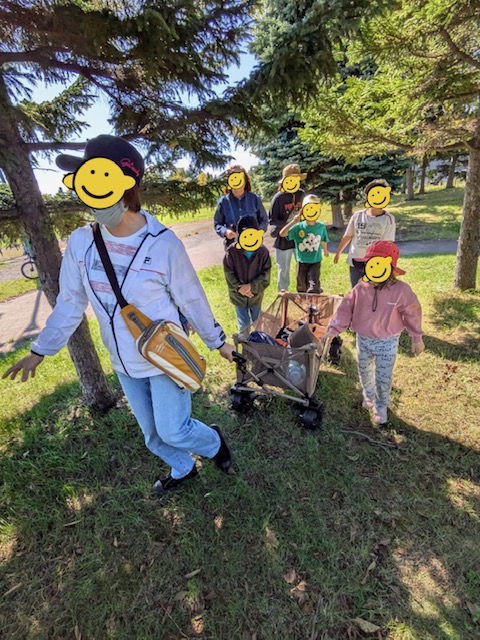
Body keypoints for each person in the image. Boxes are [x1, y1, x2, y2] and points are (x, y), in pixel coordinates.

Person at [2, 134, 236, 496]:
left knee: (174, 429)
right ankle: (184, 468)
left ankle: (214, 443)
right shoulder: (81, 243)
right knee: (153, 436)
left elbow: (192, 299)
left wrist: (217, 342)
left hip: (164, 355)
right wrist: (40, 351)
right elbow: (70, 302)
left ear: (127, 185)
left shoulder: (163, 243)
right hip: (124, 363)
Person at [323, 241, 424, 425]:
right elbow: (345, 310)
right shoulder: (360, 288)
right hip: (364, 340)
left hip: (388, 342)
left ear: (390, 267)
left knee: (383, 377)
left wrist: (417, 337)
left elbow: (412, 312)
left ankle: (381, 405)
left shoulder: (401, 290)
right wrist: (334, 330)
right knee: (364, 370)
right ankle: (368, 394)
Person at [334, 179, 396, 287]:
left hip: (375, 263)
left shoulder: (388, 219)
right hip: (356, 262)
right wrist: (338, 253)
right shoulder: (357, 216)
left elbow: (387, 244)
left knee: (373, 292)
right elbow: (348, 235)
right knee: (356, 290)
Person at [223, 215, 271, 334]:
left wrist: (251, 286)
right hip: (238, 296)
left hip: (256, 295)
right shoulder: (232, 252)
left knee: (258, 321)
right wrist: (239, 288)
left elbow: (266, 274)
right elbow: (229, 273)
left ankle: (260, 342)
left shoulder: (263, 252)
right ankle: (245, 343)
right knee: (244, 324)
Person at [279, 194, 330, 294]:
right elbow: (282, 234)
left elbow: (323, 239)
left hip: (315, 261)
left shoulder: (321, 226)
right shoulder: (298, 227)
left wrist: (325, 250)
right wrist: (293, 222)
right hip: (302, 261)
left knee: (313, 286)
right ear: (303, 210)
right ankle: (304, 302)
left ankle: (313, 300)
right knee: (301, 286)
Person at [269, 164, 306, 291]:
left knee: (303, 266)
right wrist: (290, 225)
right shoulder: (278, 198)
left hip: (300, 238)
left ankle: (303, 292)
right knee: (283, 269)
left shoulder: (302, 195)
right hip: (283, 240)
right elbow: (272, 221)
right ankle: (283, 294)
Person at [214, 164, 268, 249]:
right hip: (233, 247)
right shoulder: (223, 202)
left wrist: (258, 232)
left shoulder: (254, 198)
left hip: (254, 245)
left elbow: (264, 220)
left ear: (245, 180)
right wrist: (226, 232)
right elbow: (217, 224)